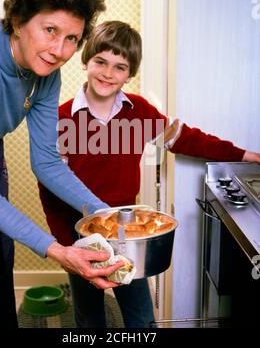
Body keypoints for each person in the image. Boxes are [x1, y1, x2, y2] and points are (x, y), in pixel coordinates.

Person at [38, 20, 260, 328]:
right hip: (80, 236)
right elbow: (49, 187)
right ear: (85, 59)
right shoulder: (61, 117)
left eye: (119, 67)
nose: (107, 73)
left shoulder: (140, 111)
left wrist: (246, 156)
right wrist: (65, 242)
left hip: (129, 235)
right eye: (101, 61)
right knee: (89, 316)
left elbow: (187, 138)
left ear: (130, 74)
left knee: (141, 317)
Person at [0, 0, 125, 329]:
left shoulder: (47, 71)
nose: (59, 51)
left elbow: (48, 163)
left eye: (71, 39)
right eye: (50, 30)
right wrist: (59, 251)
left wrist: (107, 216)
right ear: (19, 21)